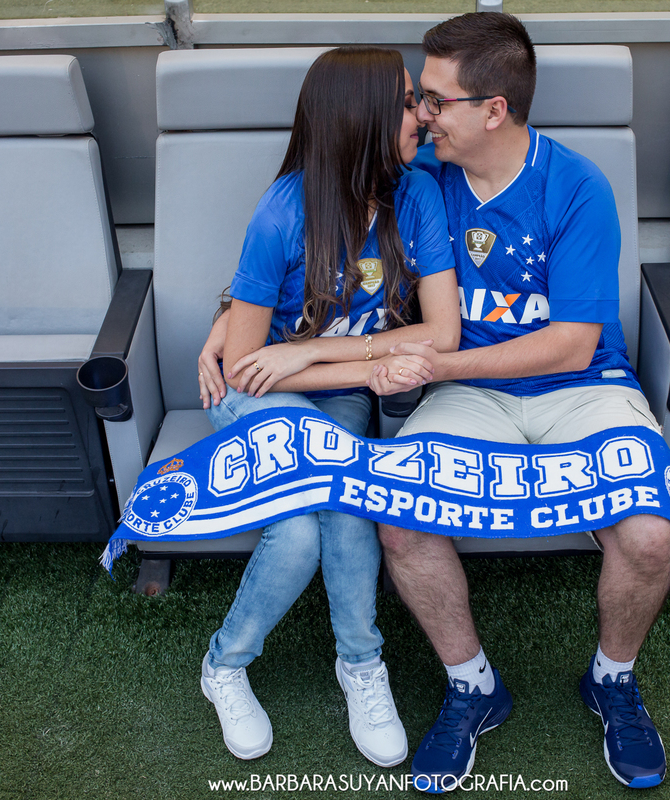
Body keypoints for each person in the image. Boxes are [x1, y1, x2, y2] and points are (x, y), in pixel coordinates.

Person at [367, 13, 670, 792]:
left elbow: (574, 343)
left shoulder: (575, 185)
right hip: (470, 393)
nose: (421, 115)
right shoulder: (421, 177)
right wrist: (225, 318)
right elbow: (316, 234)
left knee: (647, 537)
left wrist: (437, 359)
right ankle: (473, 686)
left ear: (494, 108)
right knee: (400, 522)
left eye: (436, 100)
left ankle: (612, 678)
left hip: (582, 387)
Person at [194, 46, 460, 768]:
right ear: (364, 118)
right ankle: (225, 665)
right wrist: (339, 357)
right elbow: (250, 369)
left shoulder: (418, 194)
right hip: (262, 401)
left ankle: (360, 664)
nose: (424, 116)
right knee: (302, 534)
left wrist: (316, 353)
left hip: (327, 389)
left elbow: (442, 333)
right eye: (408, 103)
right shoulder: (282, 212)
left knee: (347, 503)